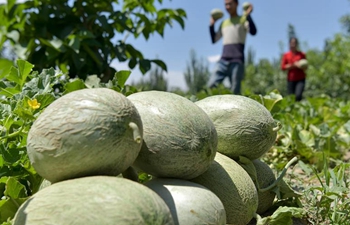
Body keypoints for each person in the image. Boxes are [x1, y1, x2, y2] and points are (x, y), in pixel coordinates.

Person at [208, 0, 257, 95]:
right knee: (211, 85)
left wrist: (248, 15)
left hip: (237, 60)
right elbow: (214, 39)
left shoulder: (243, 20)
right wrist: (212, 25)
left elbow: (253, 32)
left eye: (230, 4)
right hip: (223, 60)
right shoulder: (224, 23)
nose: (228, 7)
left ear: (236, 4)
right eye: (226, 4)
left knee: (235, 91)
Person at [281, 37, 307, 101]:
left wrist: (300, 66)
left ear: (297, 44)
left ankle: (298, 109)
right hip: (291, 80)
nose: (293, 45)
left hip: (300, 79)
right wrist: (293, 65)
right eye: (291, 43)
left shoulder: (302, 54)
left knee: (298, 96)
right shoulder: (286, 55)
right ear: (289, 44)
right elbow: (283, 67)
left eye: (294, 43)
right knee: (291, 98)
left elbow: (306, 67)